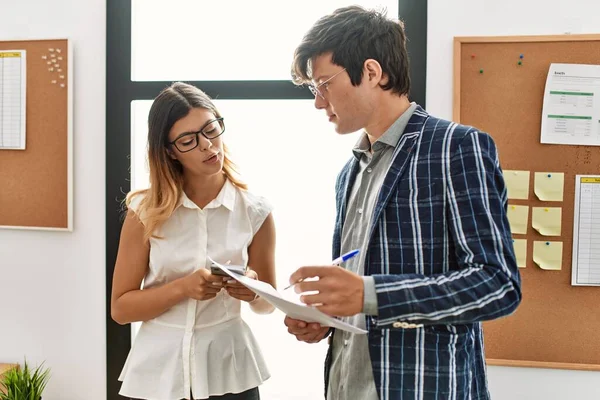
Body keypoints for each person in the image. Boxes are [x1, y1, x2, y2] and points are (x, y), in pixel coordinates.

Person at [283, 6, 522, 400]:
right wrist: (326, 317)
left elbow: (497, 284)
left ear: (373, 72)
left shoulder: (456, 147)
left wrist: (370, 295)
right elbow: (363, 289)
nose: (317, 101)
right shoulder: (350, 173)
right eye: (313, 88)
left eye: (323, 83)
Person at [111, 82, 275, 400]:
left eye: (211, 129)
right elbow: (121, 308)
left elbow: (268, 304)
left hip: (231, 372)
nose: (207, 146)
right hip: (157, 373)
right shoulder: (144, 212)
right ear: (170, 151)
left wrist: (253, 288)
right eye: (188, 140)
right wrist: (183, 289)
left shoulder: (255, 211)